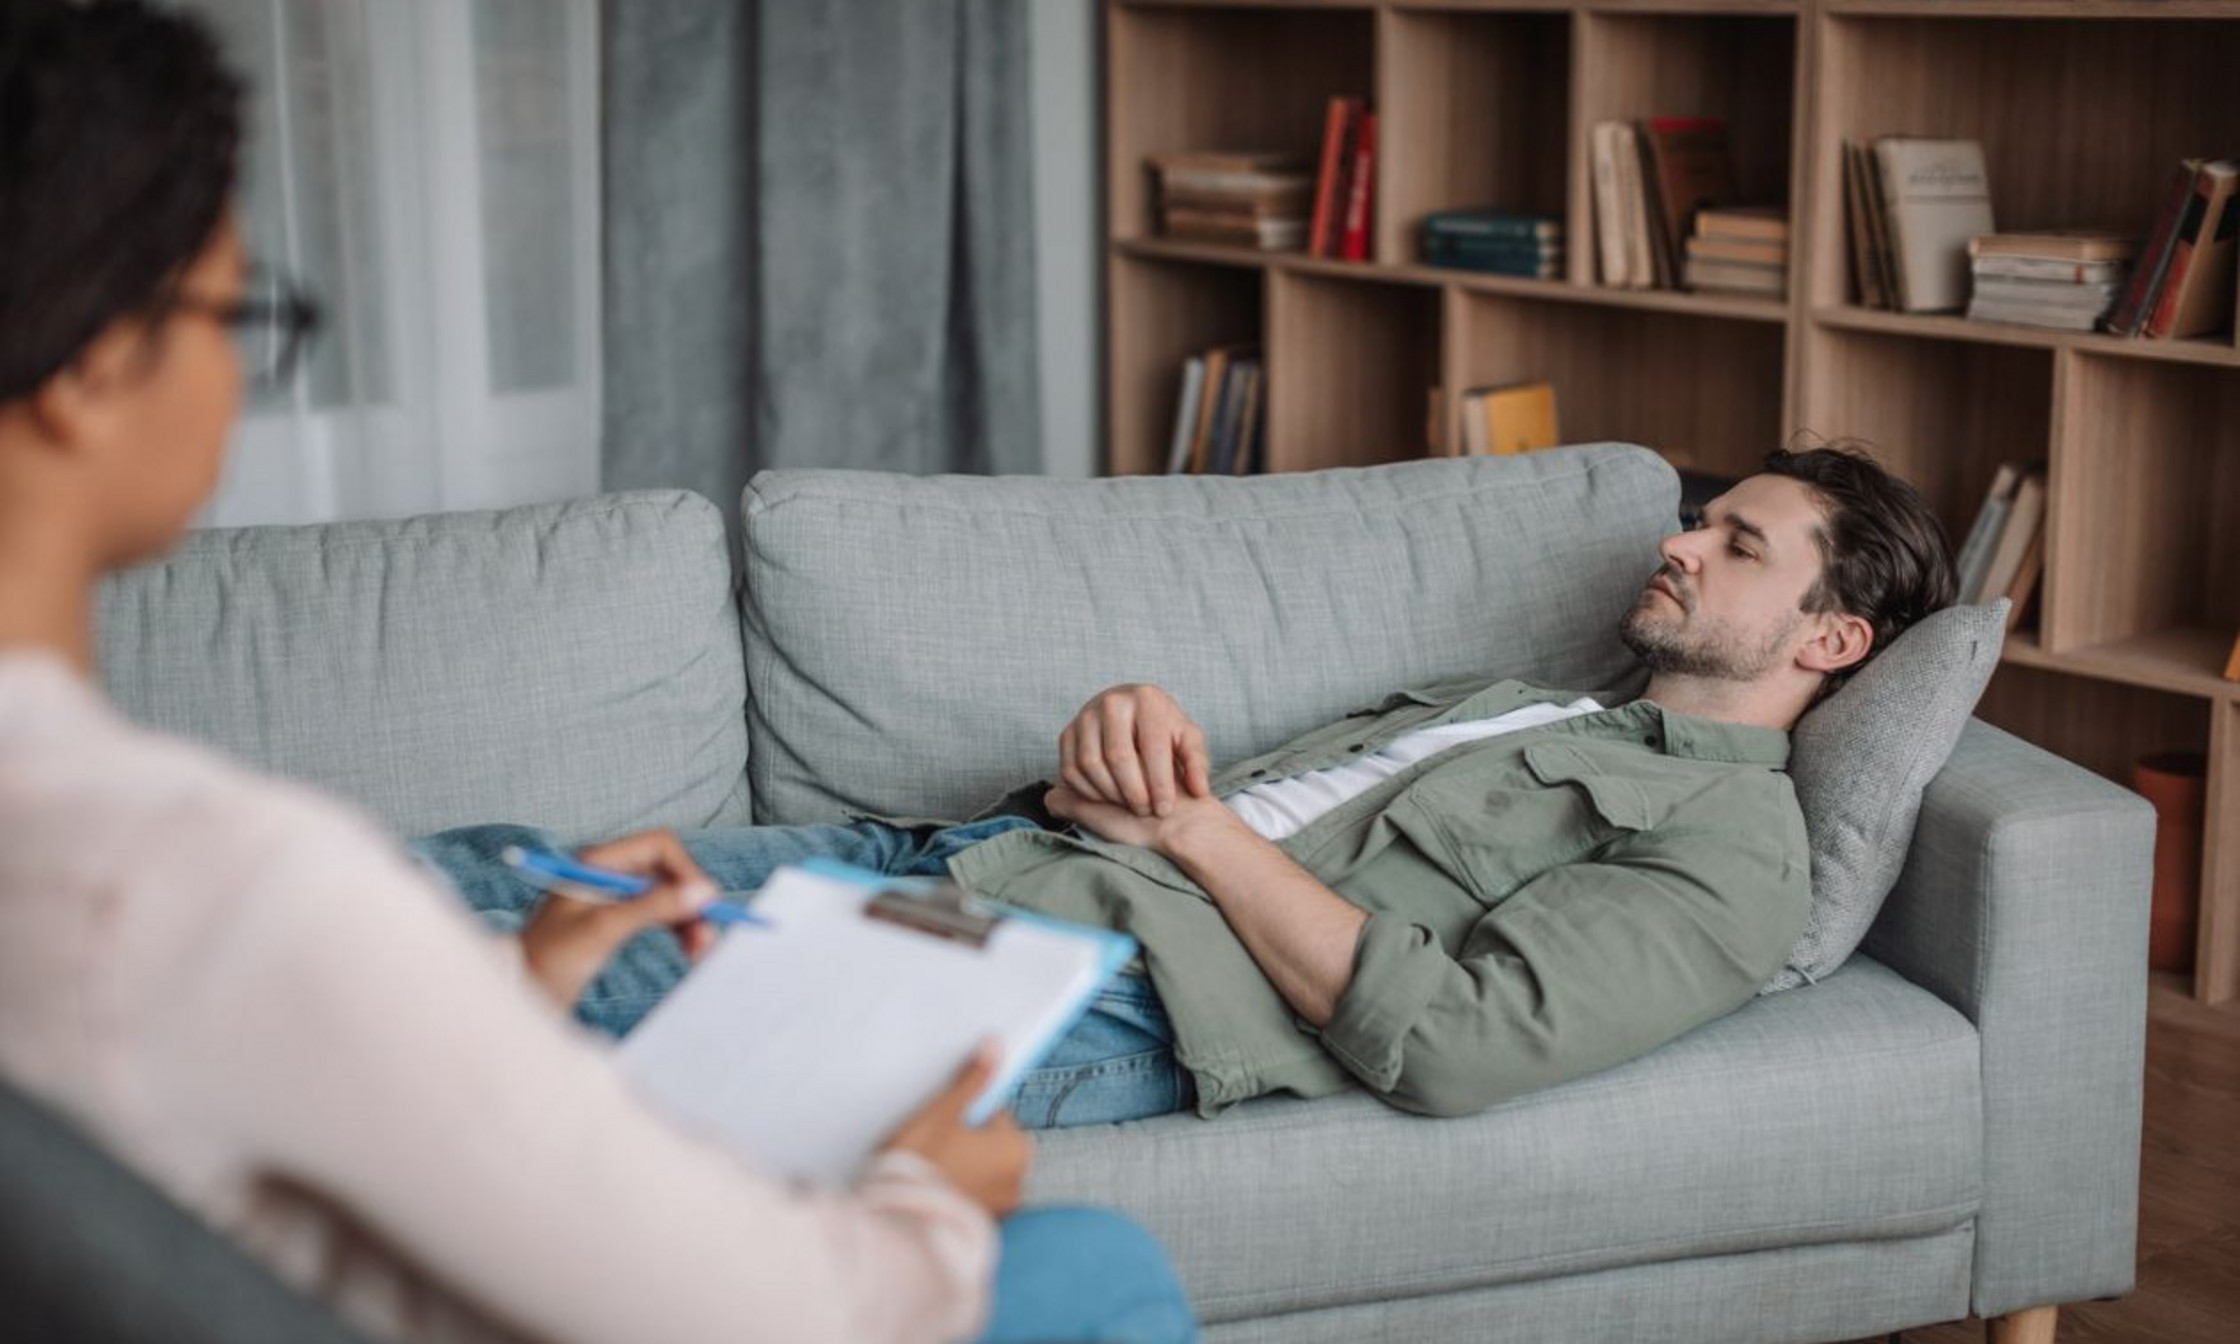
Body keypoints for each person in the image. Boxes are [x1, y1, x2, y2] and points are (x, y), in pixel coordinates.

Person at [0, 4, 1196, 1343]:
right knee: (1089, 1266)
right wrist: (929, 1193)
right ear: (99, 364)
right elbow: (785, 1311)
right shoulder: (221, 886)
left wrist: (517, 992)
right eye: (238, 311)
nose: (234, 370)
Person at [425, 443, 1955, 1129]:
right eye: (1697, 519)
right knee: (513, 871)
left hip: (1090, 970)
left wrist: (1187, 826)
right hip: (996, 857)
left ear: (1830, 637)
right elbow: (1261, 817)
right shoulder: (1544, 705)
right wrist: (1121, 757)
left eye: (1736, 544)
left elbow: (1456, 1045)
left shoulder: (1735, 848)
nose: (1680, 542)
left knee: (585, 990)